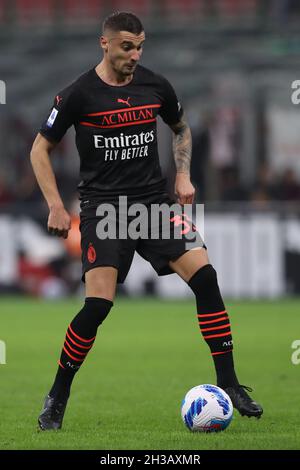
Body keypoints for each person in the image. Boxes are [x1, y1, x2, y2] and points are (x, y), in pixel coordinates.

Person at [30, 12, 263, 431]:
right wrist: (55, 205)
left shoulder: (155, 85)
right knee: (98, 306)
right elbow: (39, 150)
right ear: (104, 44)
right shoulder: (78, 94)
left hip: (153, 206)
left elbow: (180, 127)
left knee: (206, 278)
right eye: (126, 47)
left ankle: (229, 384)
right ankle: (57, 395)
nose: (135, 54)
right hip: (104, 211)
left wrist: (183, 174)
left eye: (140, 46)